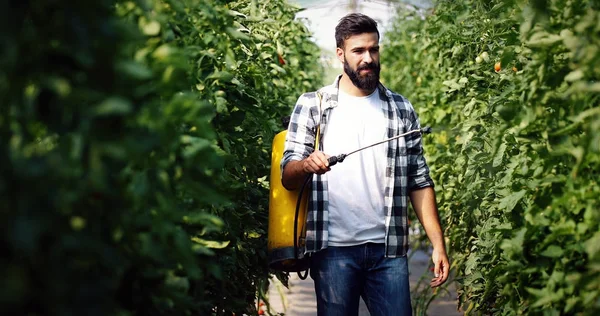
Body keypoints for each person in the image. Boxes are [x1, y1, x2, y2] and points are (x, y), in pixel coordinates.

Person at [280, 13, 450, 316]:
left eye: (373, 49)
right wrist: (306, 164)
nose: (368, 58)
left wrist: (438, 243)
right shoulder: (313, 105)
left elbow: (419, 181)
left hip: (389, 251)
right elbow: (288, 175)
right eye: (359, 51)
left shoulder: (400, 109)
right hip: (332, 251)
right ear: (341, 54)